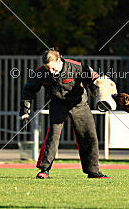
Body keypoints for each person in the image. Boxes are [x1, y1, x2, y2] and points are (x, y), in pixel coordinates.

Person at [19, 48, 111, 179]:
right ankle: (44, 170)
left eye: (53, 68)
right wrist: (25, 111)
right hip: (58, 104)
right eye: (47, 69)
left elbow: (93, 77)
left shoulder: (75, 67)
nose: (50, 71)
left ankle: (93, 172)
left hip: (79, 104)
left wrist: (99, 83)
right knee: (53, 136)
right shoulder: (41, 73)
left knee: (89, 136)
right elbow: (28, 90)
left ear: (59, 60)